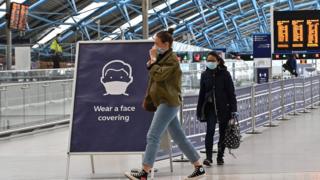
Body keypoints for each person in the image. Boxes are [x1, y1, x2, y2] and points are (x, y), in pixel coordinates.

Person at [125, 28, 206, 180]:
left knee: (153, 135)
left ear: (166, 44)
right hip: (164, 101)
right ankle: (198, 167)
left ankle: (145, 172)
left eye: (156, 44)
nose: (153, 48)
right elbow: (155, 74)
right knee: (179, 137)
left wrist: (153, 60)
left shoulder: (172, 60)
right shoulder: (164, 58)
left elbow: (160, 75)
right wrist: (153, 61)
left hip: (168, 102)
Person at [196, 51, 237, 167]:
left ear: (218, 61)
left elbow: (231, 93)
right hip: (210, 108)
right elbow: (202, 93)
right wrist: (199, 110)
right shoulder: (205, 75)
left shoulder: (225, 74)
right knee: (210, 131)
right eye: (208, 60)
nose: (210, 62)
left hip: (224, 108)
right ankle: (208, 157)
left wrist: (234, 109)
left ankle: (220, 155)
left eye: (212, 60)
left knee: (223, 133)